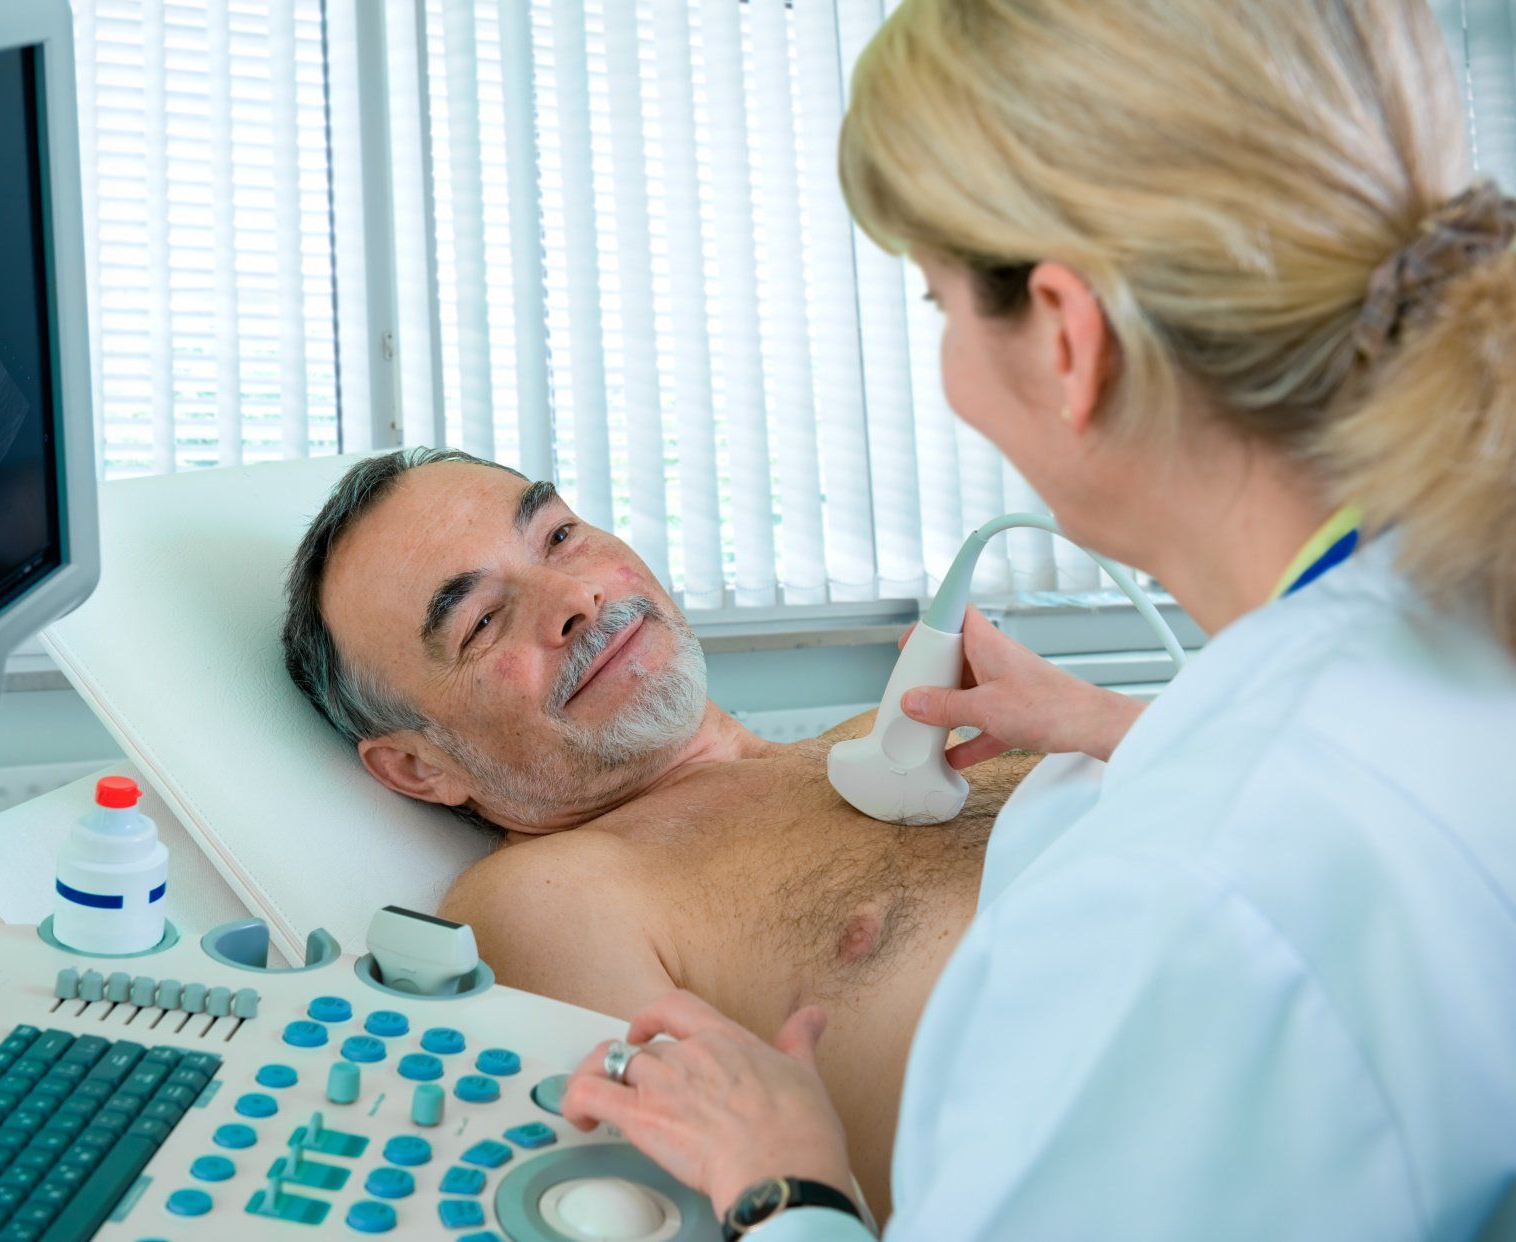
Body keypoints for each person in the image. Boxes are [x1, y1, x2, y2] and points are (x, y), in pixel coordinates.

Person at [555, 1, 1516, 1238]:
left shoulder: (1165, 922)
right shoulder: (1447, 628)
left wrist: (790, 1185)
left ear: (1069, 338)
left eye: (937, 305)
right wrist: (1151, 729)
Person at [280, 447, 1047, 1215]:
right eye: (481, 622)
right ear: (420, 769)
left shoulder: (918, 734)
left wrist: (1123, 732)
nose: (575, 594)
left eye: (558, 536)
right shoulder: (552, 898)